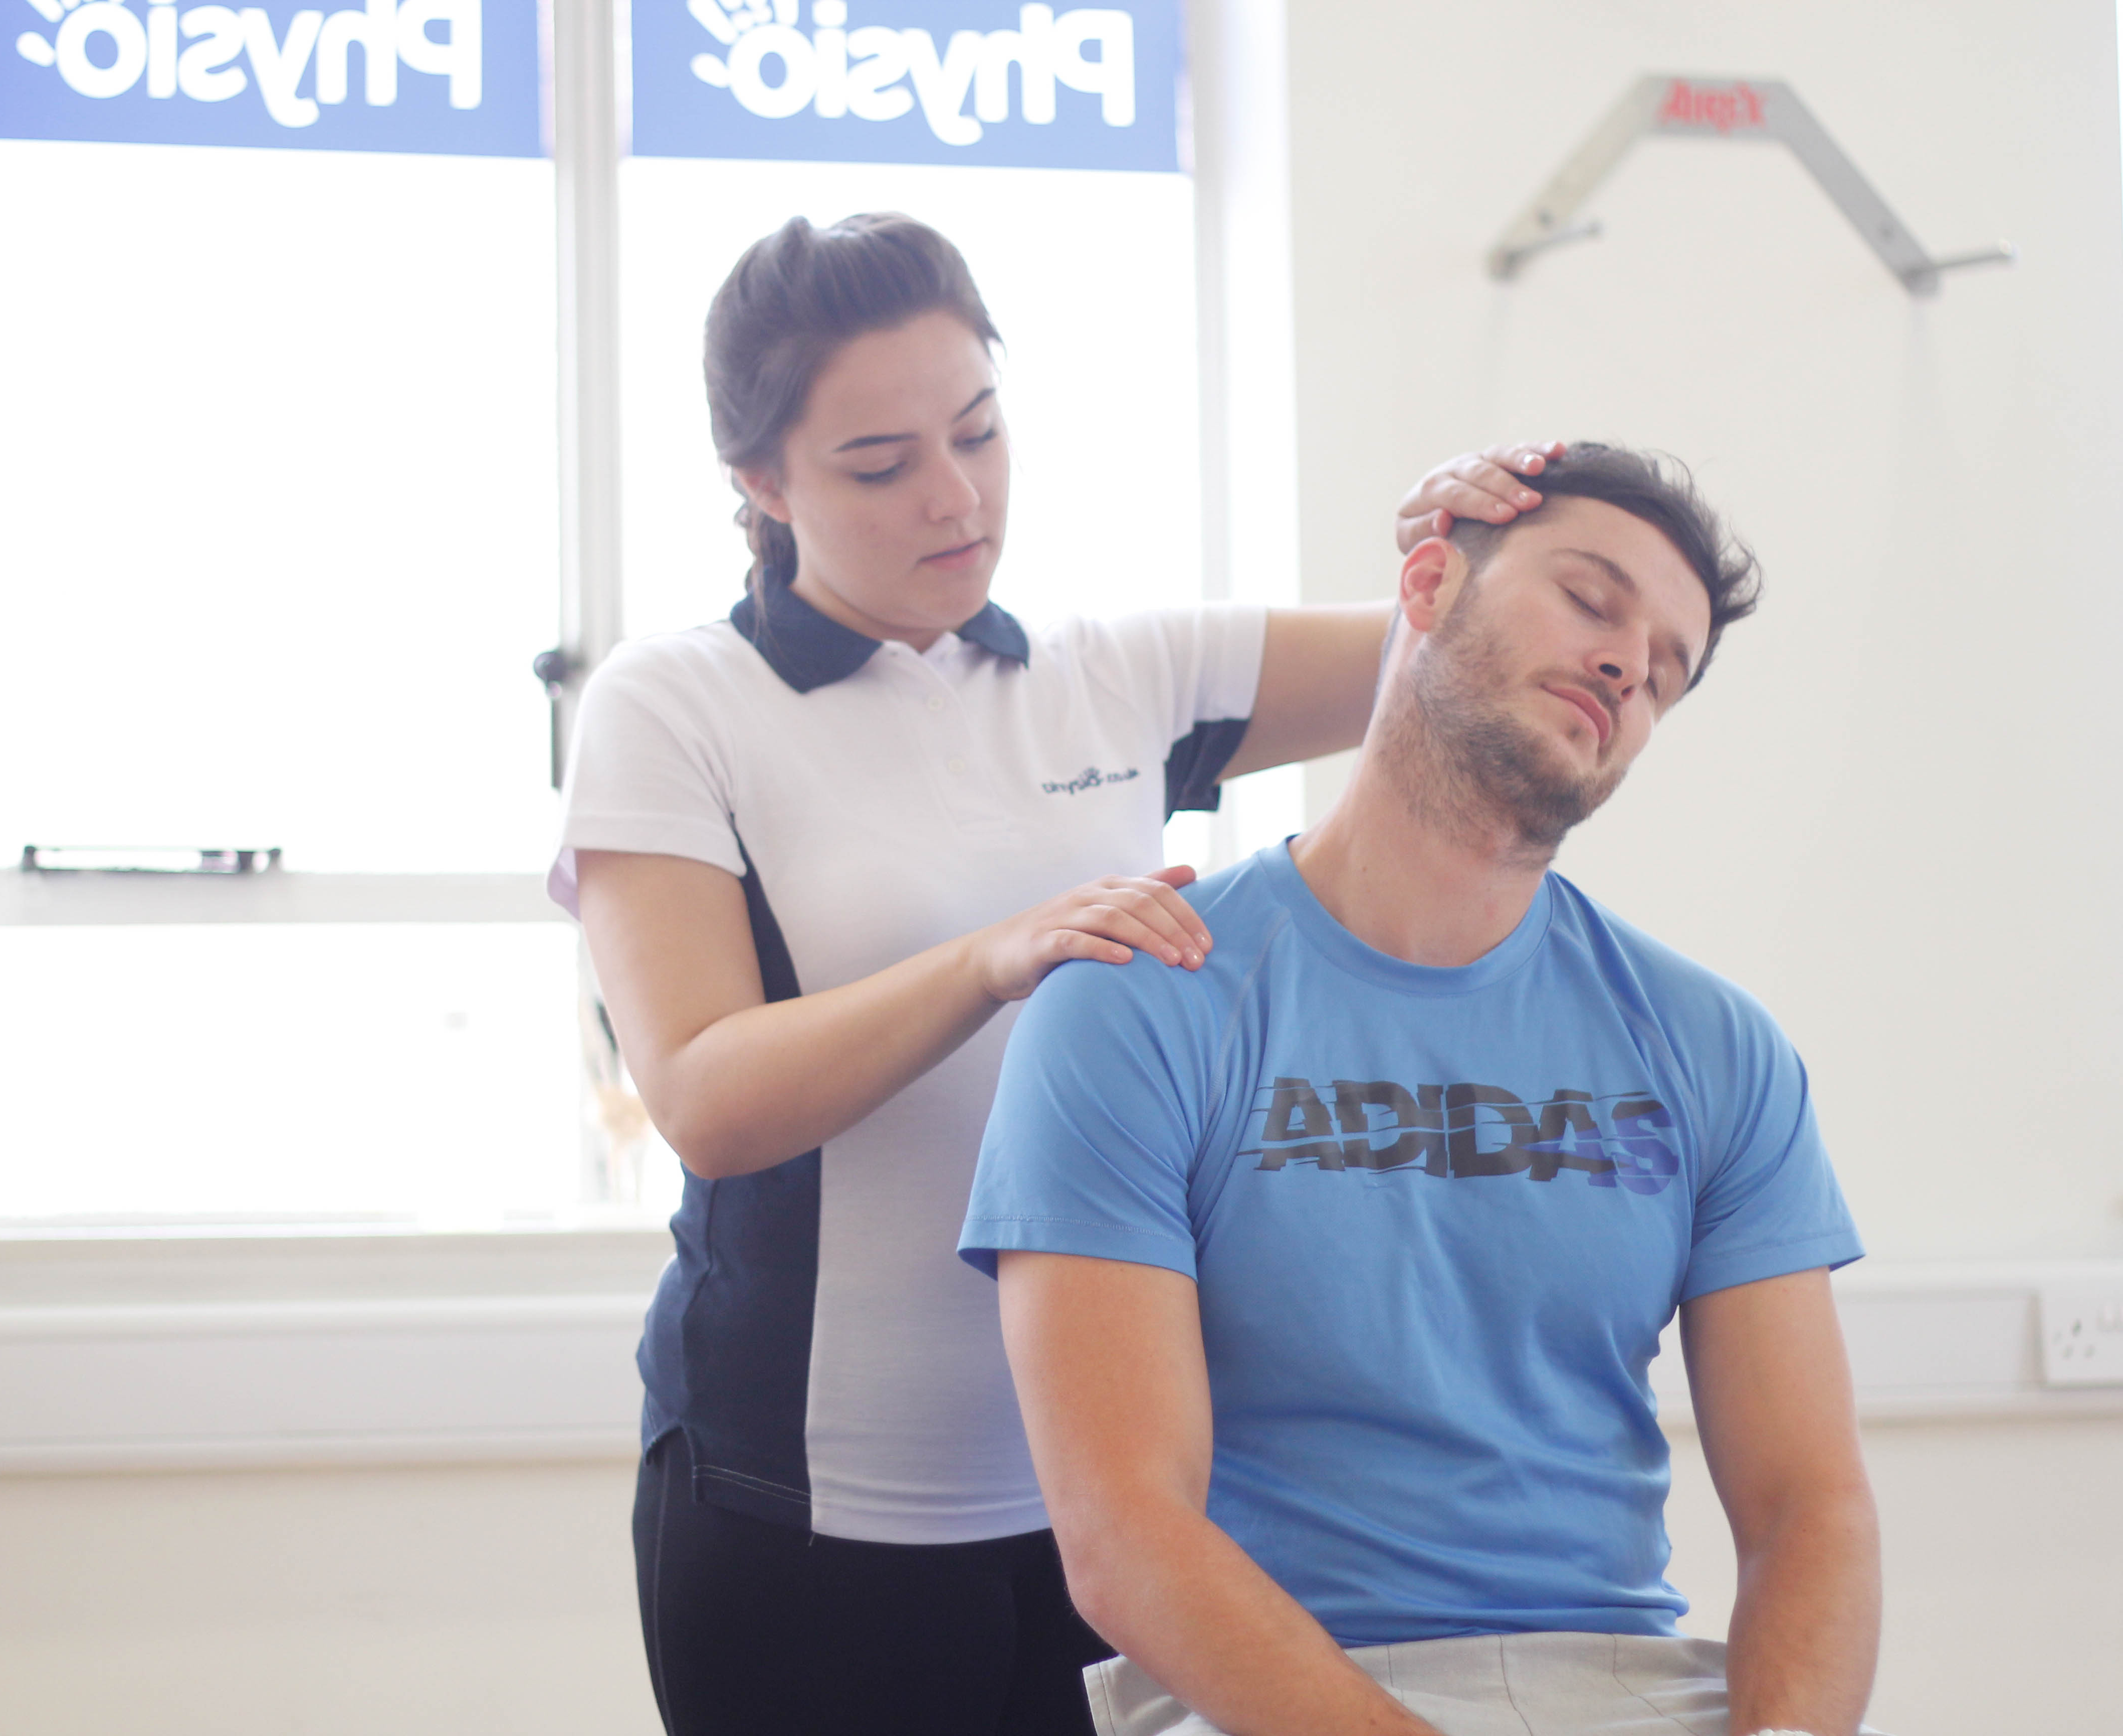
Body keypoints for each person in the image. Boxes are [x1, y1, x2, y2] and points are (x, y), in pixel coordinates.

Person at [550, 209, 1558, 1735]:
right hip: (801, 1519)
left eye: (979, 431)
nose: (954, 498)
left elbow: (1466, 655)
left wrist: (1465, 544)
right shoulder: (679, 705)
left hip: (1108, 1516)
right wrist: (993, 959)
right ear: (760, 485)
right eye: (880, 466)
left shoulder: (1118, 675)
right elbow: (705, 1097)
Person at [961, 445, 1882, 1736]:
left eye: (1666, 668)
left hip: (1620, 1688)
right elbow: (1125, 1536)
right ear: (1431, 581)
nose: (1629, 664)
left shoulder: (1717, 1046)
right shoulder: (1138, 1000)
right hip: (1262, 1696)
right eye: (1591, 599)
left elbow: (1809, 1510)